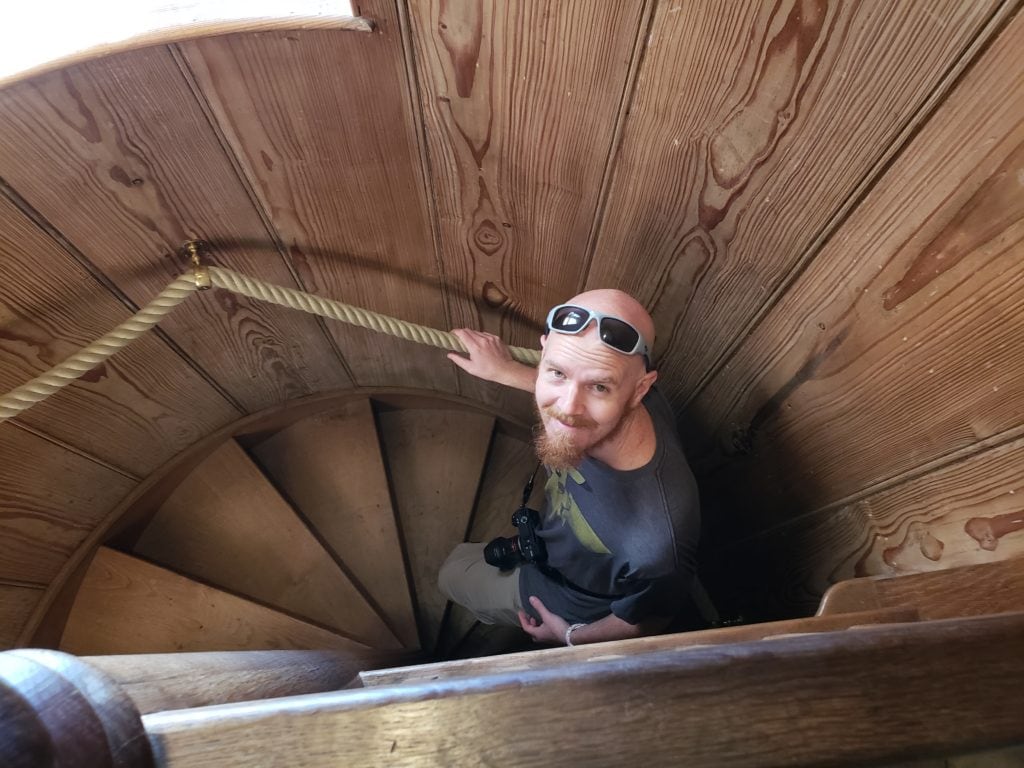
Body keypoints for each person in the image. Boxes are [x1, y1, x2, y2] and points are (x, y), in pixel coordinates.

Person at [438, 289, 700, 647]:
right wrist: (505, 370)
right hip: (547, 549)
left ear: (640, 390)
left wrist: (569, 635)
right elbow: (576, 381)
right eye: (556, 372)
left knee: (451, 575)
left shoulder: (654, 543)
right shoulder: (623, 400)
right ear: (543, 351)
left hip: (561, 599)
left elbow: (648, 619)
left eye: (599, 387)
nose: (567, 408)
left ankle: (489, 616)